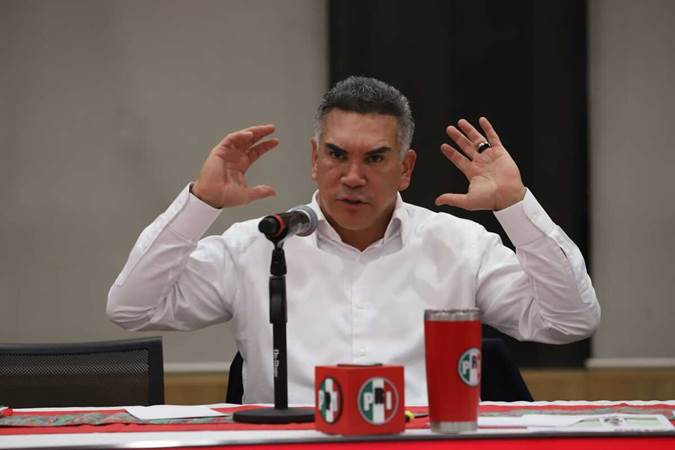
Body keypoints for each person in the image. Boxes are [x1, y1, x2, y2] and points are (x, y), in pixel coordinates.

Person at [107, 76, 600, 405]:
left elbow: (569, 321)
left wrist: (514, 206)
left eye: (375, 158)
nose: (353, 177)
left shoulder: (460, 246)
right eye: (337, 155)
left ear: (405, 168)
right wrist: (200, 203)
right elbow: (132, 309)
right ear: (314, 160)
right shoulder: (258, 245)